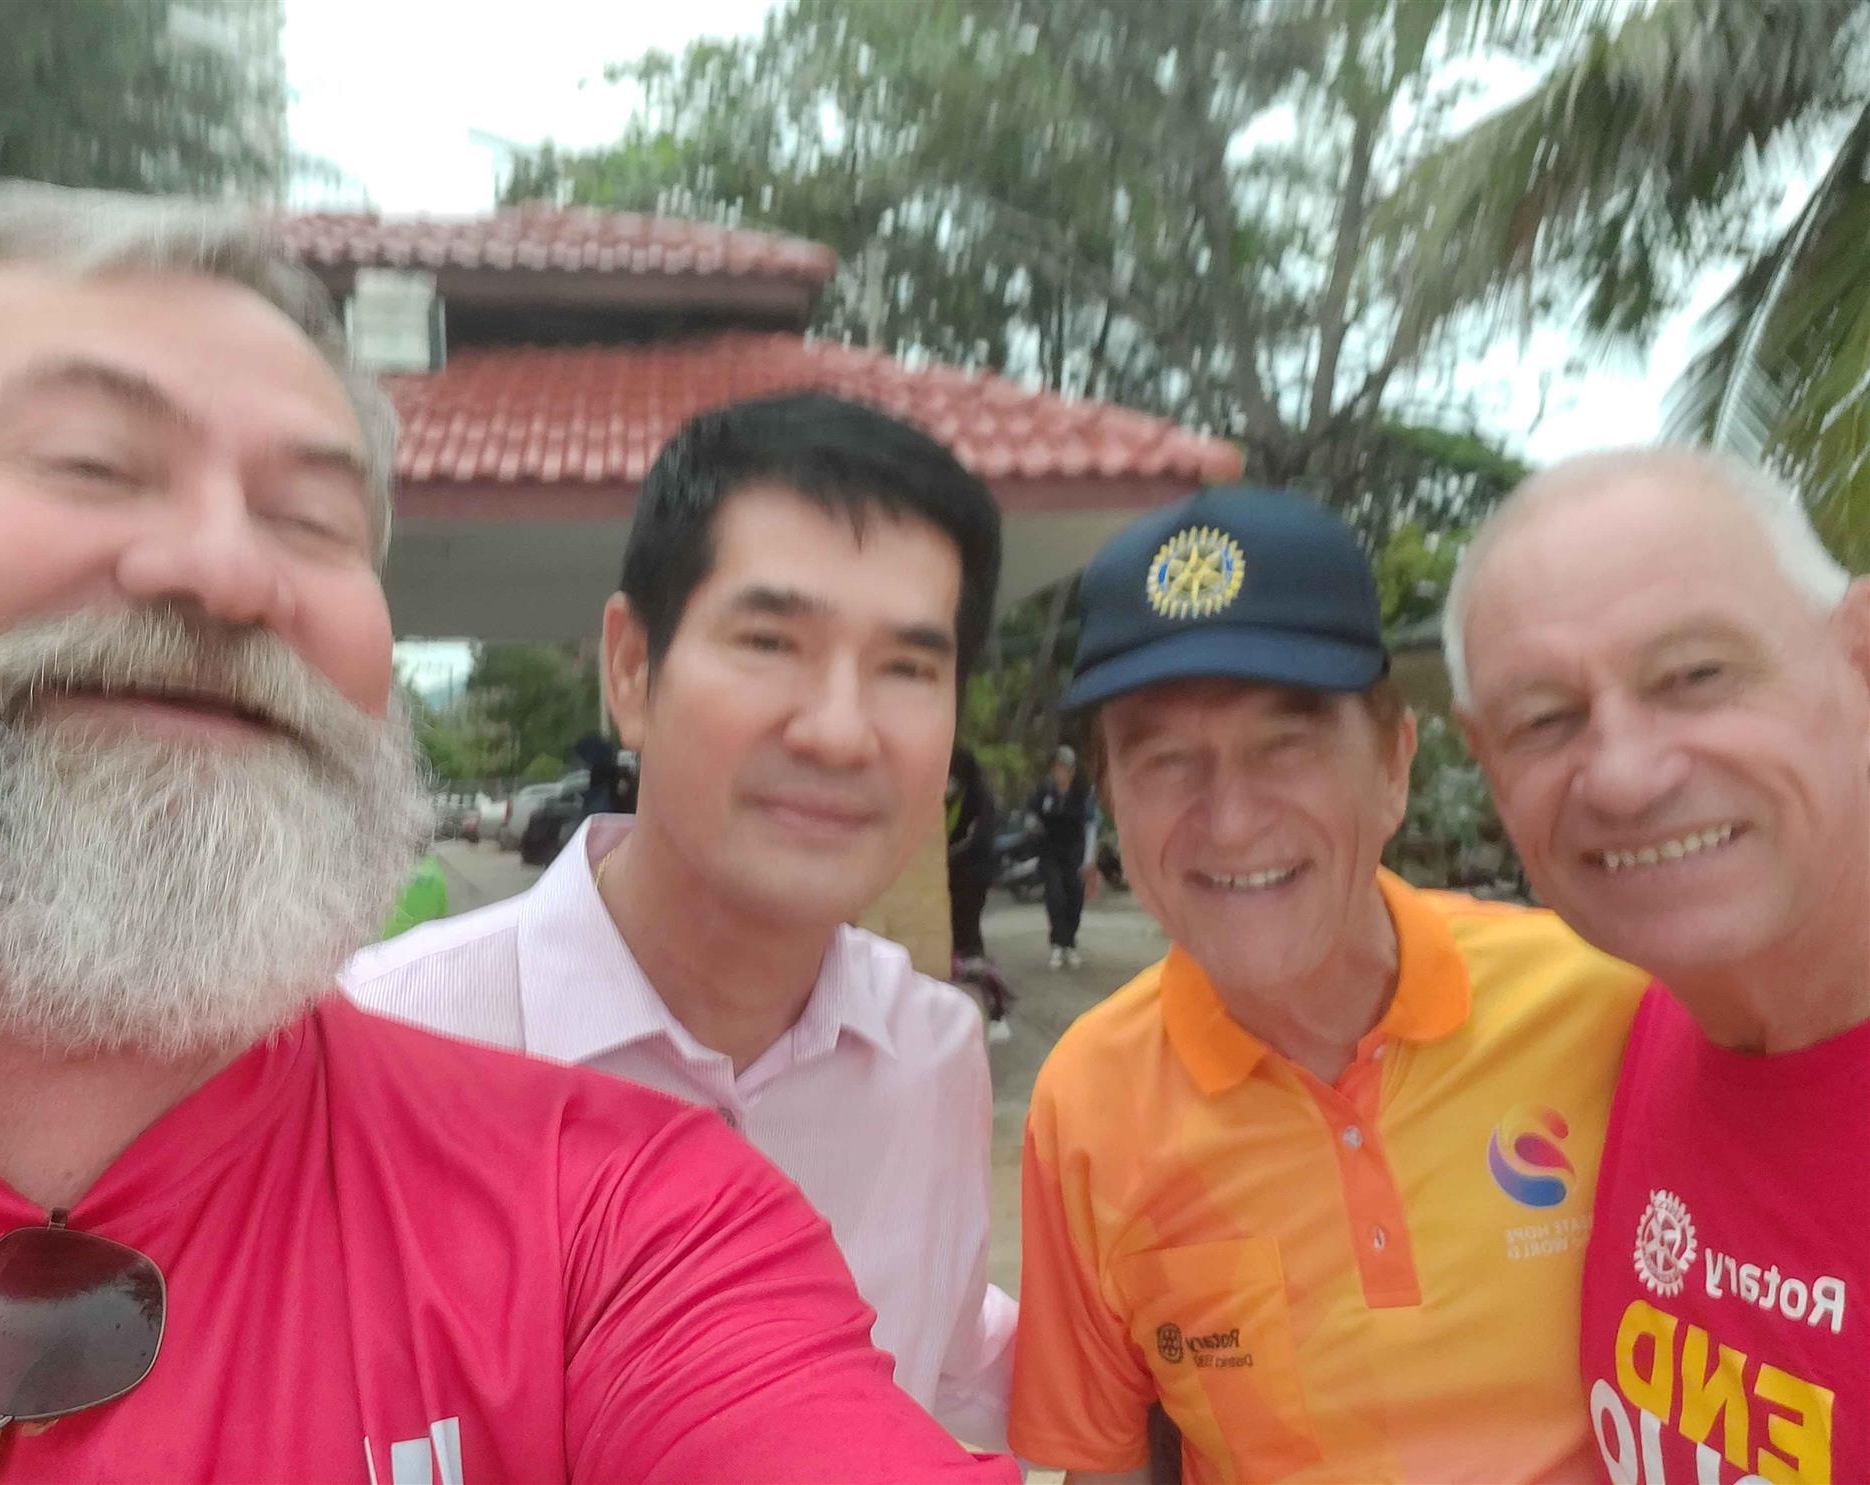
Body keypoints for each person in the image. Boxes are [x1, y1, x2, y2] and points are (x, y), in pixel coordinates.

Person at [0, 182, 1015, 1485]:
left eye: (311, 521)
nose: (228, 570)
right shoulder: (420, 1005)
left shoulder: (631, 1196)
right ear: (629, 672)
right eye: (88, 461)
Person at [346, 392, 1018, 1446]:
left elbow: (950, 1352)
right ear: (630, 668)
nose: (840, 731)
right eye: (770, 641)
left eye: (907, 668)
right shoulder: (381, 1045)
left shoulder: (932, 1056)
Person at [1008, 486, 1647, 1483]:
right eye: (1166, 761)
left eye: (1286, 746)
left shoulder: (1608, 1005)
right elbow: (1106, 1464)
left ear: (1394, 765)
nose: (1230, 821)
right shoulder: (1088, 1105)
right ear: (1112, 806)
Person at [1448, 448, 1870, 1485]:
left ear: (1859, 655)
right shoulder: (1646, 1018)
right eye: (1544, 720)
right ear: (1487, 763)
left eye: (1696, 676)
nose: (1626, 777)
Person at [947, 745, 1011, 1037]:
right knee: (959, 940)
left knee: (968, 938)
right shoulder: (951, 799)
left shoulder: (978, 800)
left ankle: (994, 1011)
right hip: (953, 879)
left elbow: (973, 842)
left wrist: (946, 857)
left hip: (973, 878)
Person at [1028, 744, 1097, 969]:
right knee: (1055, 896)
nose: (1060, 773)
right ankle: (1057, 943)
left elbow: (1090, 825)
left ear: (1072, 770)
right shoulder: (1044, 791)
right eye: (1057, 768)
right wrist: (1033, 825)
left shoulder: (1083, 793)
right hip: (1050, 853)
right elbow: (1032, 813)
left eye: (1065, 768)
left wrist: (1088, 858)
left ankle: (1070, 942)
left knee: (1074, 897)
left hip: (1074, 853)